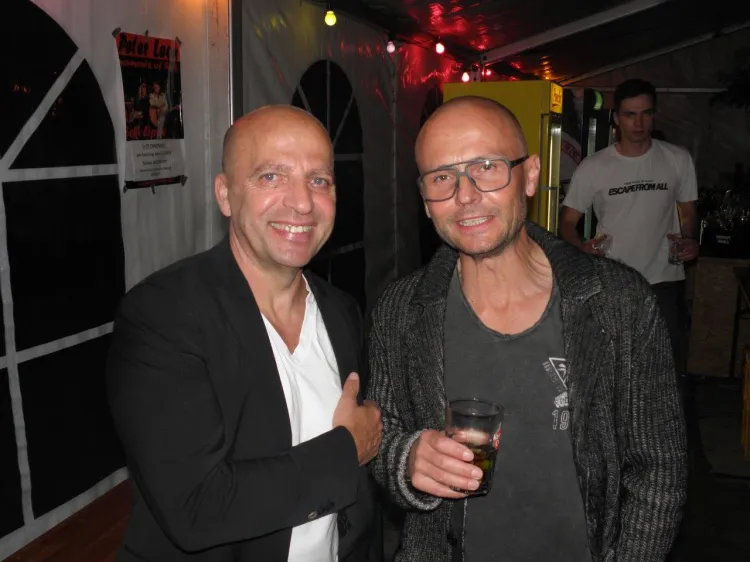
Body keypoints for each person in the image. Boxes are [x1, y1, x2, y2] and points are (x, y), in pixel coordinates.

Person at [367, 96, 687, 561]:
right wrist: (408, 458)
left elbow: (659, 468)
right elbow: (382, 436)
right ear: (426, 201)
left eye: (486, 167)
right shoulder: (400, 311)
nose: (465, 195)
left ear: (531, 174)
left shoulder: (618, 302)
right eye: (441, 177)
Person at [107, 105, 382, 561]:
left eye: (319, 180)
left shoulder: (341, 310)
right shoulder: (163, 316)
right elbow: (197, 508)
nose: (302, 202)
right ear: (225, 195)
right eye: (271, 177)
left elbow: (360, 500)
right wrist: (346, 449)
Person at [559, 79, 699, 381]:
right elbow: (567, 222)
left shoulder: (678, 159)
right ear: (617, 118)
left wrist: (689, 239)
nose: (639, 123)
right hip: (613, 283)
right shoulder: (595, 166)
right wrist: (581, 248)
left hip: (663, 282)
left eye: (646, 113)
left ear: (654, 115)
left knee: (667, 375)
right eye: (630, 114)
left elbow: (688, 212)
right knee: (613, 374)